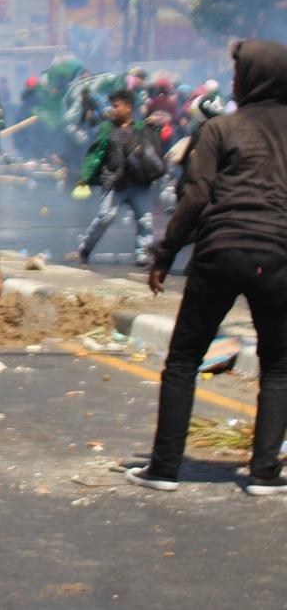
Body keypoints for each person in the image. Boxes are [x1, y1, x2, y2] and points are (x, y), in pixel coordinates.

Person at [131, 39, 287, 495]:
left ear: (254, 79)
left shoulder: (221, 129)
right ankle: (263, 475)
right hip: (278, 256)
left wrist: (165, 253)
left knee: (183, 359)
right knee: (278, 367)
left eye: (239, 74)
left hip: (220, 251)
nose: (234, 82)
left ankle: (163, 469)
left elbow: (196, 197)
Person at [73, 88, 163, 267]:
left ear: (129, 107)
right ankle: (85, 247)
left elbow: (153, 148)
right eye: (112, 106)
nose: (113, 110)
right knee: (105, 216)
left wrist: (155, 127)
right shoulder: (107, 128)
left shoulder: (141, 128)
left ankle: (142, 254)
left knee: (144, 220)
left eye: (117, 106)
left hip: (139, 182)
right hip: (114, 181)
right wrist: (85, 176)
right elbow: (96, 153)